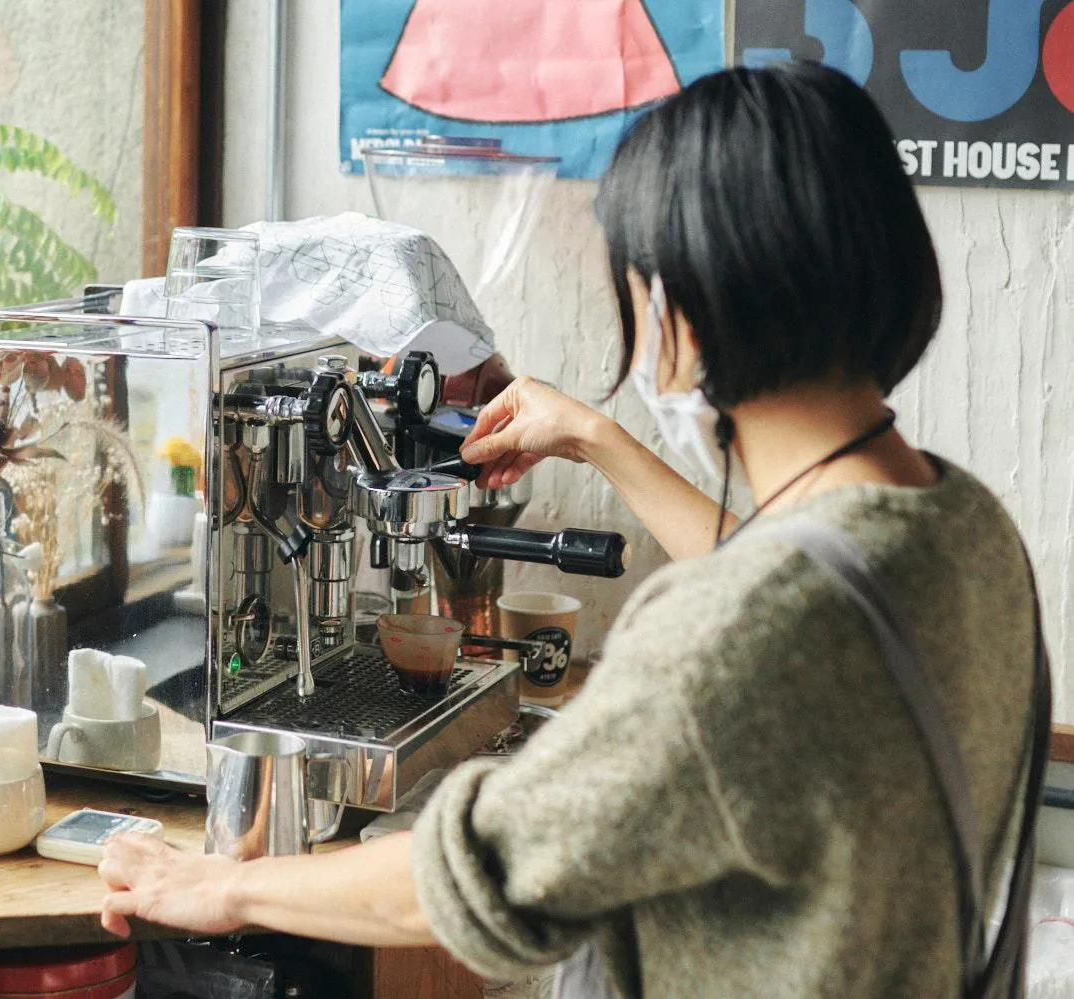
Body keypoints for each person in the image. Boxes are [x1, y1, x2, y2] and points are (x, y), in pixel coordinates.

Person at [97, 62, 1040, 997]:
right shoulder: (961, 528)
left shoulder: (737, 636)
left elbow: (479, 877)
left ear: (689, 312)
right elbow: (803, 579)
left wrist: (224, 883)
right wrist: (595, 438)